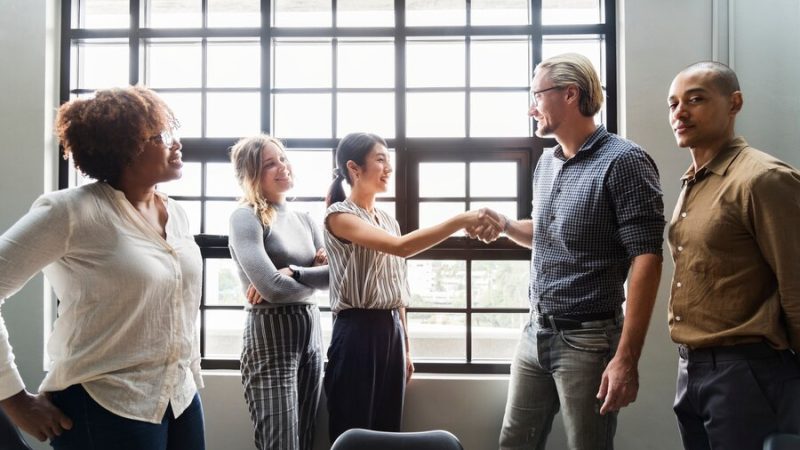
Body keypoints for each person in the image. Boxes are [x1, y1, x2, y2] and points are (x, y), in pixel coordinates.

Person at [0, 86, 205, 449]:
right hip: (104, 402)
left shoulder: (177, 215)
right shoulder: (71, 211)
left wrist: (189, 373)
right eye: (160, 136)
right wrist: (13, 400)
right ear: (125, 148)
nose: (176, 144)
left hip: (179, 398)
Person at [481, 53, 665, 449]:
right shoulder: (546, 163)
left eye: (537, 95)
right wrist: (507, 225)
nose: (531, 107)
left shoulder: (624, 161)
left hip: (589, 341)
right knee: (514, 443)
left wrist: (626, 357)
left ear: (569, 94)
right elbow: (548, 234)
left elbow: (647, 258)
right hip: (535, 333)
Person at [323, 132, 496, 443]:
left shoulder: (388, 219)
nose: (388, 167)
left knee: (388, 428)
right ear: (354, 167)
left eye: (389, 161)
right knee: (354, 429)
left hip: (391, 331)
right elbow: (401, 248)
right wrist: (460, 220)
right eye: (380, 160)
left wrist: (405, 347)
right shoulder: (339, 216)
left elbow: (397, 286)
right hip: (356, 333)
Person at [666, 61, 800, 449]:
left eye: (695, 99)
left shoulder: (762, 178)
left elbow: (796, 283)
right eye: (673, 104)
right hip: (693, 368)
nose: (680, 112)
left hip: (748, 371)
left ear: (734, 103)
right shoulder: (695, 182)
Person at [228, 134, 329, 450]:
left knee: (306, 437)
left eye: (282, 159)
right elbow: (271, 288)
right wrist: (312, 276)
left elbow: (338, 278)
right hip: (269, 335)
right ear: (251, 174)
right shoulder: (245, 217)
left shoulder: (306, 219)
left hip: (311, 333)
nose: (282, 167)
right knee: (280, 443)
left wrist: (296, 272)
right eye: (270, 163)